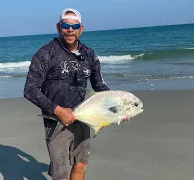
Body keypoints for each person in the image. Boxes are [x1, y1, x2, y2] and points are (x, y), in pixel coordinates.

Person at [23, 8, 131, 180]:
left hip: (85, 118)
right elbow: (30, 89)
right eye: (66, 25)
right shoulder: (46, 54)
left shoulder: (89, 55)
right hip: (56, 121)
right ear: (58, 27)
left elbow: (100, 86)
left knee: (80, 165)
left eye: (75, 26)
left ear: (81, 28)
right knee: (61, 174)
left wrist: (118, 108)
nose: (70, 30)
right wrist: (58, 111)